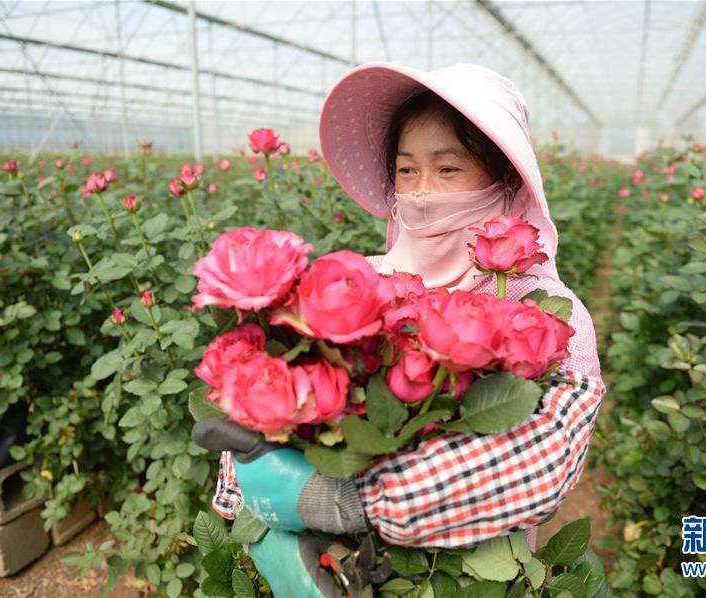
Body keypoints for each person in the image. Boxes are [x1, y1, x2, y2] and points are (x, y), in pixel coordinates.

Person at [193, 62, 607, 597]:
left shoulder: (546, 316)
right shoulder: (355, 286)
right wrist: (258, 511)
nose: (422, 192)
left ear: (505, 178)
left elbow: (546, 456)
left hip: (467, 580)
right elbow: (260, 433)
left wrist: (346, 501)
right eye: (407, 171)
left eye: (448, 169)